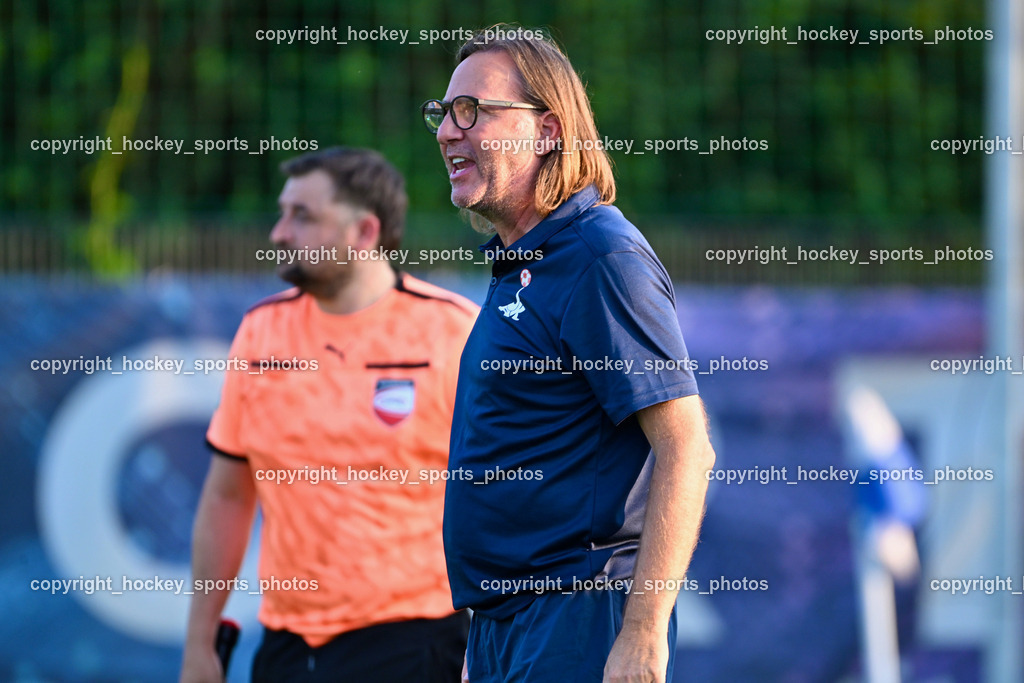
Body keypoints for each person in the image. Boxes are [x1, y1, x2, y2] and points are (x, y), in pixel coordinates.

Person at [422, 26, 716, 682]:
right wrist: (489, 634)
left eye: (473, 110)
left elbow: (686, 446)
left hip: (580, 618)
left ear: (549, 129)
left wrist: (642, 633)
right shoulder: (525, 262)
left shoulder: (598, 255)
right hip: (510, 629)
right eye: (443, 113)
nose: (447, 130)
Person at [179, 147, 478, 683]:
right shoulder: (261, 332)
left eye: (303, 216)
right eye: (281, 212)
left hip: (418, 642)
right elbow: (227, 495)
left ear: (365, 233)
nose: (278, 233)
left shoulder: (455, 332)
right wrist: (200, 643)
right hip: (288, 648)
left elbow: (508, 492)